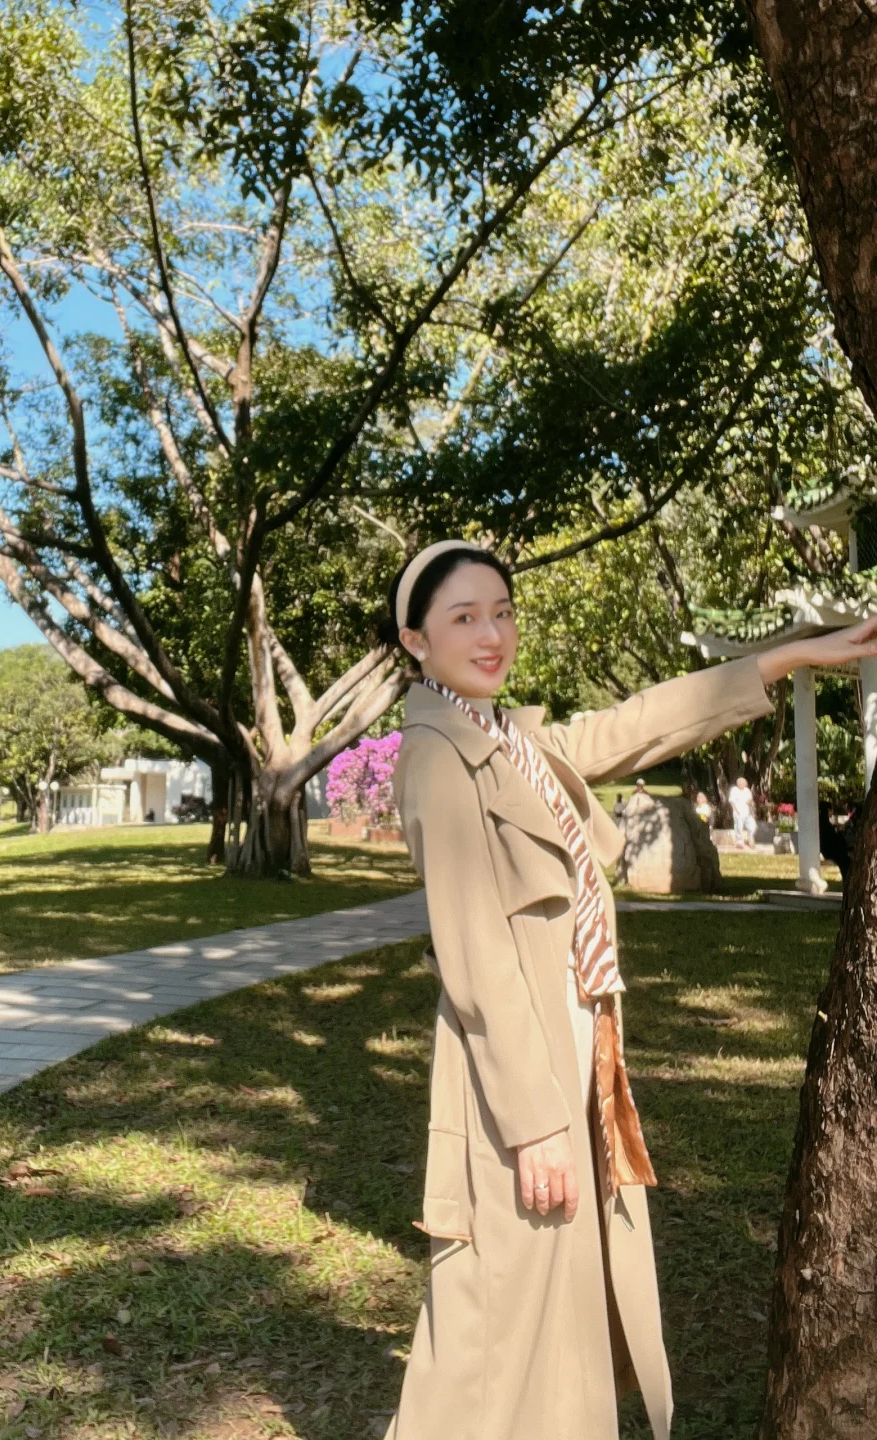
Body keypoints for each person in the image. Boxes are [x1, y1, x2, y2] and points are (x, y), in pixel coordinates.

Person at [378, 537, 877, 1440]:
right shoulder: (439, 758)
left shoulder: (507, 739)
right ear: (417, 642)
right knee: (492, 1322)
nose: (493, 634)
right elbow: (476, 961)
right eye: (464, 618)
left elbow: (632, 725)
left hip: (575, 1048)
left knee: (564, 1310)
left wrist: (779, 659)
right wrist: (535, 1125)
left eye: (502, 611)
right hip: (515, 1079)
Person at [727, 775, 757, 848]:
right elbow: (732, 801)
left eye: (744, 783)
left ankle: (748, 839)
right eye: (742, 783)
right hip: (738, 812)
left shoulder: (747, 790)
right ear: (738, 783)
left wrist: (749, 803)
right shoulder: (734, 790)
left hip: (747, 813)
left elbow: (750, 800)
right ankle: (739, 842)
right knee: (739, 827)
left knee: (753, 826)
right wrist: (736, 810)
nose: (744, 784)